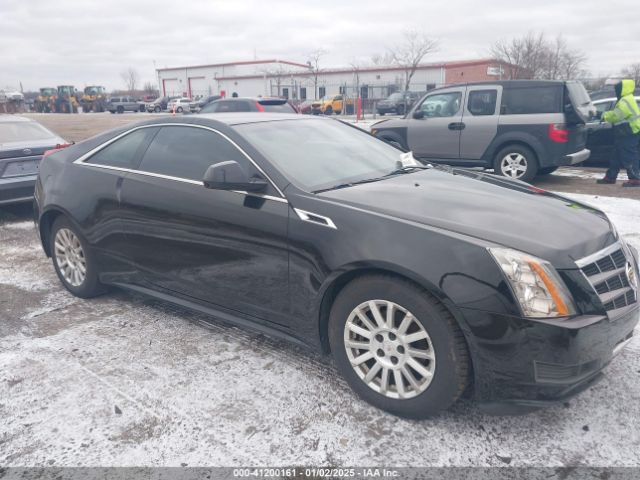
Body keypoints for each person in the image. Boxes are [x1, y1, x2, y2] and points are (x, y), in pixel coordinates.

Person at [596, 79, 640, 187]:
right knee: (616, 155)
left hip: (629, 131)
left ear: (623, 88)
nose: (616, 90)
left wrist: (602, 115)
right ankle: (610, 177)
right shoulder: (625, 99)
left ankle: (635, 179)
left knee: (629, 155)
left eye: (618, 88)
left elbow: (616, 115)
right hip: (625, 131)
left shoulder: (625, 101)